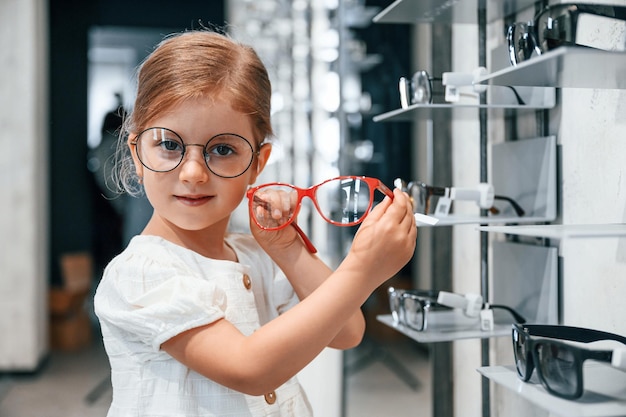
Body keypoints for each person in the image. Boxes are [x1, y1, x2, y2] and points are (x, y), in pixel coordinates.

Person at [94, 28, 417, 417]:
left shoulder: (253, 254)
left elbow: (347, 332)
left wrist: (287, 249)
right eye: (169, 144)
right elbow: (249, 369)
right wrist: (363, 268)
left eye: (223, 149)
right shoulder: (141, 273)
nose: (194, 172)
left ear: (257, 164)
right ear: (137, 151)